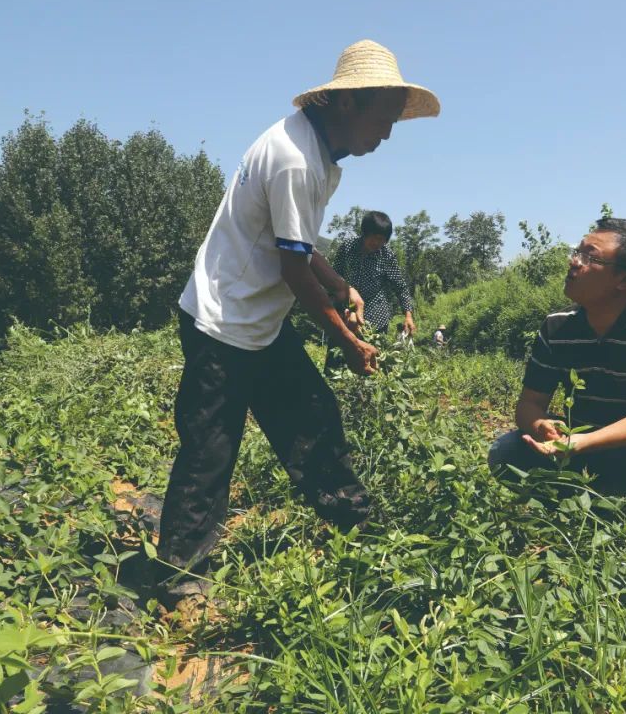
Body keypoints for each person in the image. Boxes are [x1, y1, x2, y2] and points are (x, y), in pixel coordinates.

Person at [156, 40, 440, 603]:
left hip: (257, 323)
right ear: (348, 104)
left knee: (312, 414)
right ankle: (178, 578)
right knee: (210, 447)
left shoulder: (315, 151)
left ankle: (356, 530)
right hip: (224, 322)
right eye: (382, 120)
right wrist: (348, 340)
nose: (385, 135)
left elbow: (301, 246)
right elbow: (291, 269)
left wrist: (340, 283)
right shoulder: (294, 159)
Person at [488, 217, 626, 513]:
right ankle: (575, 506)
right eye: (577, 252)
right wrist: (542, 426)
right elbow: (529, 403)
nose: (574, 262)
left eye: (589, 257)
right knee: (505, 450)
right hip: (581, 444)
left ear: (624, 280)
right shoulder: (557, 327)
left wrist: (585, 442)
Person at [329, 211, 415, 335]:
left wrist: (408, 315)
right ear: (365, 233)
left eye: (382, 240)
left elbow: (400, 287)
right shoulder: (347, 247)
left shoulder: (387, 255)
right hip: (345, 314)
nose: (377, 243)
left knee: (371, 352)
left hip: (375, 319)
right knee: (338, 352)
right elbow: (334, 276)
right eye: (374, 238)